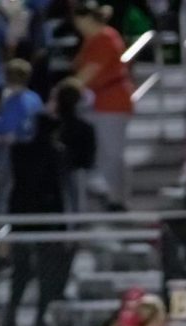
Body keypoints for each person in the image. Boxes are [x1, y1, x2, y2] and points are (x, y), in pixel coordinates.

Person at [0, 82, 63, 326]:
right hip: (41, 219)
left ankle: (18, 317)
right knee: (36, 271)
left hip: (25, 216)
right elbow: (57, 191)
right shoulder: (54, 153)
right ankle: (31, 317)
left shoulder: (19, 151)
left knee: (23, 271)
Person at [71, 0, 133, 210]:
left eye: (79, 21)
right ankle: (109, 193)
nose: (78, 26)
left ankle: (118, 199)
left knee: (112, 152)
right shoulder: (91, 40)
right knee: (101, 152)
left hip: (112, 102)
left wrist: (64, 91)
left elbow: (89, 72)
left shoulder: (105, 38)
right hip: (96, 102)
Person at [0, 58, 41, 214]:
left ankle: (2, 224)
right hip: (33, 153)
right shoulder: (35, 98)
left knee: (4, 190)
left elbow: (6, 127)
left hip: (11, 152)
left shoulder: (13, 101)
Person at [52, 77, 95, 214]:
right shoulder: (84, 126)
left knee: (69, 197)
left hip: (65, 168)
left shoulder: (52, 125)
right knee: (75, 199)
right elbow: (89, 153)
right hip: (74, 167)